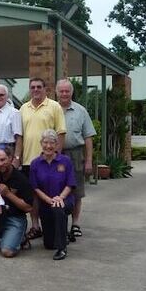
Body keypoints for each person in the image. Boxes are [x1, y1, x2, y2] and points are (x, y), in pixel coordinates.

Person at [20, 77, 66, 240]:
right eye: (33, 87)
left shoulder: (54, 106)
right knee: (33, 194)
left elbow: (61, 133)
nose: (36, 90)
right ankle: (35, 226)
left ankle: (53, 225)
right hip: (28, 160)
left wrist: (57, 156)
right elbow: (20, 136)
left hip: (48, 160)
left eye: (39, 87)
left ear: (45, 89)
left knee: (50, 192)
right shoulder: (23, 108)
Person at [56, 78, 96, 239]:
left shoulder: (81, 111)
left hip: (75, 154)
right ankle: (59, 224)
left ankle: (75, 224)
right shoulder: (51, 109)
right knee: (57, 189)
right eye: (61, 91)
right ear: (56, 92)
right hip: (56, 155)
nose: (64, 94)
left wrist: (89, 160)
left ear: (72, 92)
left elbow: (88, 137)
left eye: (67, 91)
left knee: (77, 190)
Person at [29, 130, 76, 260]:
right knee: (49, 244)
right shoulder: (35, 164)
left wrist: (60, 197)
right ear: (41, 143)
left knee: (58, 208)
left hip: (65, 200)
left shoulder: (65, 161)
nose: (48, 146)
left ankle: (62, 248)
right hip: (46, 203)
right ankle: (62, 235)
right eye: (45, 142)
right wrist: (49, 200)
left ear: (56, 145)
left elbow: (70, 184)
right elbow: (35, 188)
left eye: (52, 143)